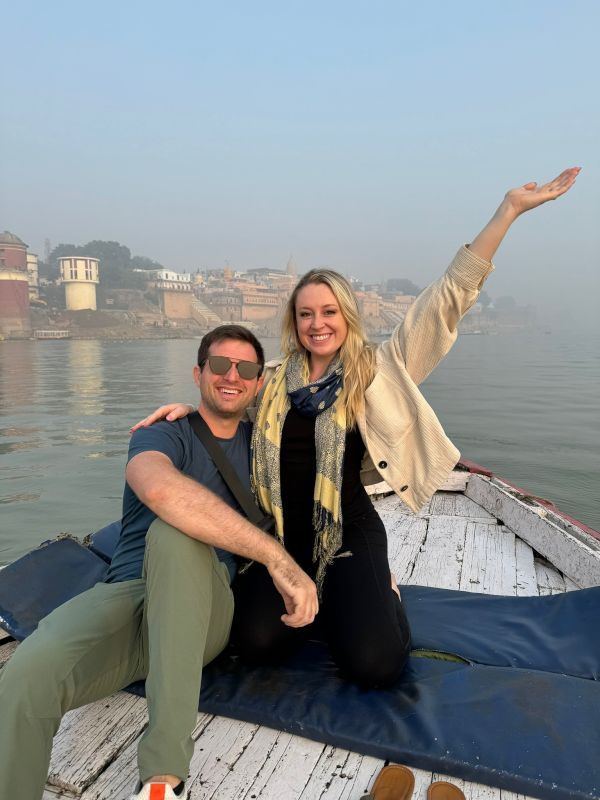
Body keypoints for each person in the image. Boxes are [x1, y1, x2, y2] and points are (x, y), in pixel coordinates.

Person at [136, 167, 580, 689]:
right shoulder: (272, 383)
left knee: (374, 665)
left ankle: (378, 590)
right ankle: (325, 596)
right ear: (294, 322)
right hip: (279, 534)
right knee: (255, 643)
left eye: (328, 311)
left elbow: (446, 300)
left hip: (349, 531)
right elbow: (226, 401)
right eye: (305, 314)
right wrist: (187, 411)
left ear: (346, 315)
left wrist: (506, 212)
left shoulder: (378, 370)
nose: (316, 323)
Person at [0, 324, 318, 800]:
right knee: (26, 677)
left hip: (203, 607)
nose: (232, 375)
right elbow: (157, 486)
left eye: (246, 368)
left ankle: (162, 781)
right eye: (219, 365)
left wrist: (376, 570)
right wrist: (276, 557)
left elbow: (332, 490)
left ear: (257, 383)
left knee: (174, 536)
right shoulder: (162, 433)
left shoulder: (264, 450)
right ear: (198, 373)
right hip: (127, 596)